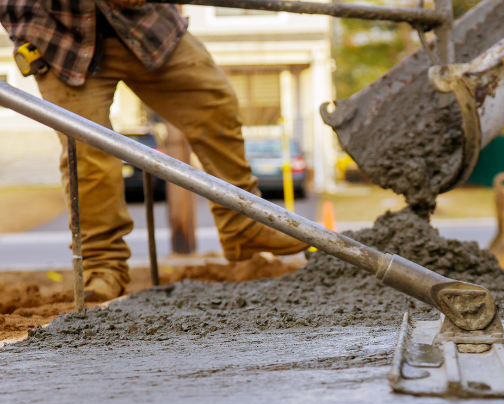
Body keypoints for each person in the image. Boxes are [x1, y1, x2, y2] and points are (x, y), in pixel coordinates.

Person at [0, 0, 309, 301]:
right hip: (61, 38)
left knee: (215, 104)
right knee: (87, 153)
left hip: (147, 26)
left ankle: (245, 226)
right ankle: (102, 265)